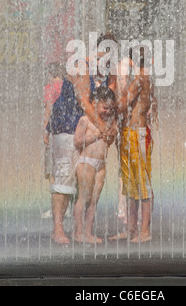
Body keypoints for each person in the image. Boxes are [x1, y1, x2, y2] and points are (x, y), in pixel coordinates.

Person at [44, 33, 118, 245]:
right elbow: (85, 102)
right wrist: (104, 128)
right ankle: (58, 229)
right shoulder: (82, 66)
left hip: (83, 130)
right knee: (64, 179)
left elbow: (109, 98)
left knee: (84, 184)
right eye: (108, 57)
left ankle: (79, 231)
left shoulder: (100, 74)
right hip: (66, 128)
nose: (110, 63)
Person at [112, 45, 155, 243]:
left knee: (143, 184)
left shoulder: (140, 78)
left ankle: (144, 231)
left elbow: (122, 104)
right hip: (130, 133)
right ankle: (131, 229)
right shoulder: (143, 76)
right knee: (130, 183)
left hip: (137, 134)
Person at [73, 87, 117, 244]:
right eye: (105, 107)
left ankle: (88, 232)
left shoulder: (108, 122)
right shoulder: (85, 120)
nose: (107, 111)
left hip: (101, 165)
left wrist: (111, 134)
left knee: (93, 200)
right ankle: (78, 232)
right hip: (87, 162)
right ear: (94, 103)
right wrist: (96, 135)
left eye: (110, 108)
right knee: (83, 198)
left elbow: (110, 142)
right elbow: (77, 142)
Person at [42, 62, 65, 219]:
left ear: (49, 74)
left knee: (53, 171)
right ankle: (67, 207)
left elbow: (48, 110)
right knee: (66, 170)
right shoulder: (66, 86)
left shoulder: (49, 88)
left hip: (54, 132)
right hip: (68, 133)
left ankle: (54, 209)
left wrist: (45, 131)